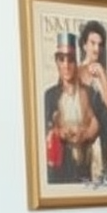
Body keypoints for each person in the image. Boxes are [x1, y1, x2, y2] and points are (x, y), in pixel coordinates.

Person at [43, 32, 101, 184]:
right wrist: (59, 132)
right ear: (57, 62)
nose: (66, 66)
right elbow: (44, 131)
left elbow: (98, 122)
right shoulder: (49, 96)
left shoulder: (90, 93)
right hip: (59, 172)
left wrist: (87, 134)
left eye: (70, 60)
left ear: (76, 63)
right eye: (61, 60)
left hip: (83, 171)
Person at [78, 20, 107, 179]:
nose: (96, 48)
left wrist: (102, 75)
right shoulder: (75, 72)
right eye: (92, 43)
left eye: (100, 44)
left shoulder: (104, 74)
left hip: (104, 143)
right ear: (84, 45)